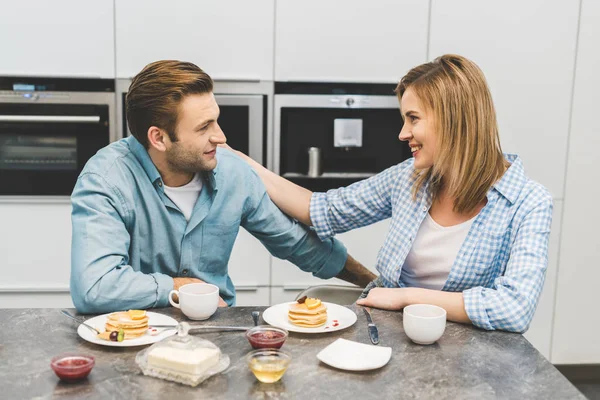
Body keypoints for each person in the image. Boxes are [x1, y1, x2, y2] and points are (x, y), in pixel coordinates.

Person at [229, 54, 553, 333]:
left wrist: (406, 296)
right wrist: (239, 160)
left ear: (455, 119)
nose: (402, 133)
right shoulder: (410, 178)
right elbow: (322, 209)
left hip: (473, 351)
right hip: (390, 336)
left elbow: (515, 308)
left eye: (413, 118)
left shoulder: (528, 202)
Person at [70, 60, 375, 314]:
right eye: (204, 127)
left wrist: (375, 284)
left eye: (216, 121)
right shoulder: (106, 179)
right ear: (159, 138)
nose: (220, 136)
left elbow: (299, 245)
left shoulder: (232, 173)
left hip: (217, 331)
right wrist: (179, 287)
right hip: (135, 335)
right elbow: (94, 286)